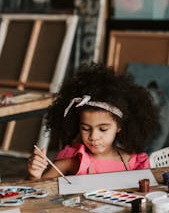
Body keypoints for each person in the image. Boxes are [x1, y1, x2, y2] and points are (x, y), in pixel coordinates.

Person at [27, 63, 160, 179]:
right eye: (85, 128)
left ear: (119, 126)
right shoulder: (72, 161)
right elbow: (38, 192)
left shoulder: (135, 162)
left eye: (103, 129)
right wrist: (34, 175)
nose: (93, 137)